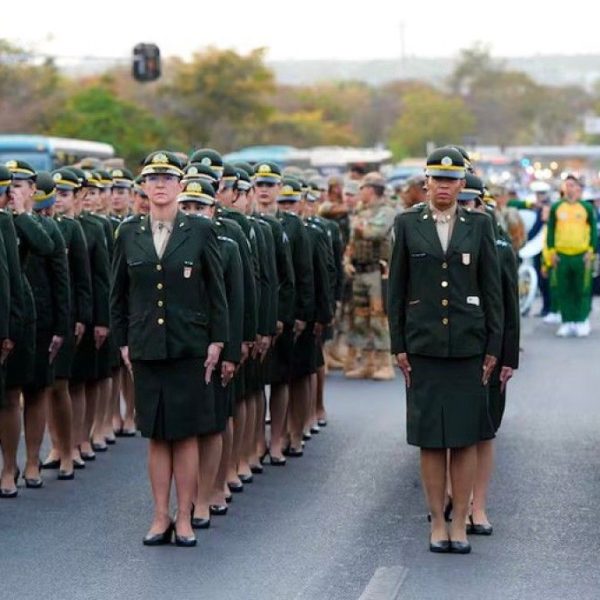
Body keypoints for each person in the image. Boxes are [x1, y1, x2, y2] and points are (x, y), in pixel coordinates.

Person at [388, 147, 503, 554]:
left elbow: (492, 290)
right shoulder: (406, 224)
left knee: (466, 437)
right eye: (438, 179)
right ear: (426, 182)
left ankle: (460, 521)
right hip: (424, 346)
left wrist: (494, 345)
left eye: (452, 180)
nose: (444, 186)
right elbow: (396, 290)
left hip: (468, 346)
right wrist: (398, 345)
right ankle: (437, 520)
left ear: (462, 184)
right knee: (431, 439)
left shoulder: (480, 224)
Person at [111, 150, 229, 547]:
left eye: (167, 178)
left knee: (187, 434)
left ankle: (185, 516)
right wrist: (123, 341)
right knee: (157, 435)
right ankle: (160, 516)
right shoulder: (129, 232)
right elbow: (119, 294)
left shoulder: (199, 230)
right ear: (143, 187)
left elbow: (216, 291)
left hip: (189, 345)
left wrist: (217, 340)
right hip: (147, 346)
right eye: (152, 179)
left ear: (180, 185)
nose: (159, 185)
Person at [177, 178, 243, 525]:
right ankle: (185, 499)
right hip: (182, 346)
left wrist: (231, 350)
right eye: (185, 207)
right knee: (184, 427)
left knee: (213, 423)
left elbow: (233, 300)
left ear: (213, 209)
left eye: (199, 207)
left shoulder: (228, 244)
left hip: (214, 344)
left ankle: (208, 495)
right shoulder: (169, 242)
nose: (192, 213)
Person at [457, 174, 520, 535]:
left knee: (484, 430)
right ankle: (454, 498)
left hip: (490, 350)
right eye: (460, 202)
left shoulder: (498, 246)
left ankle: (477, 506)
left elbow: (509, 308)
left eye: (471, 202)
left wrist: (508, 358)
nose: (465, 208)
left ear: (482, 204)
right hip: (454, 349)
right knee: (453, 431)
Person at [41, 168, 92, 479]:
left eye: (63, 193)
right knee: (46, 387)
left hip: (67, 314)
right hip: (43, 316)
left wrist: (82, 317)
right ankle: (56, 446)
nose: (57, 199)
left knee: (63, 385)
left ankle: (71, 448)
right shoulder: (39, 224)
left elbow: (83, 280)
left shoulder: (73, 229)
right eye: (53, 193)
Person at [345, 172, 396, 380]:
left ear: (372, 190)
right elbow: (352, 240)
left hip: (377, 271)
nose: (360, 192)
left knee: (378, 318)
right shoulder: (361, 211)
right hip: (359, 270)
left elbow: (375, 233)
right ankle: (367, 362)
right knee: (360, 317)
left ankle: (384, 363)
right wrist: (347, 260)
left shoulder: (387, 211)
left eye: (363, 188)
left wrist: (360, 226)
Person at [546, 174, 597, 337]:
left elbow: (594, 232)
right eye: (566, 185)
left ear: (578, 188)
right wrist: (552, 252)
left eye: (572, 185)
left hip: (581, 256)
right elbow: (551, 231)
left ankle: (581, 321)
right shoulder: (557, 207)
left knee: (582, 289)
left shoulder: (586, 208)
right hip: (562, 256)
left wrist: (591, 251)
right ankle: (567, 322)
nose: (569, 188)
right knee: (564, 289)